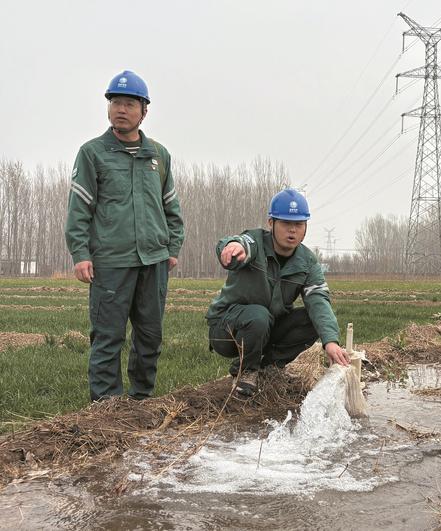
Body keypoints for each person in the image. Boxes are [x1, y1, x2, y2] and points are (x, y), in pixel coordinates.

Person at [65, 70, 185, 401]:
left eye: (130, 104)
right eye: (116, 102)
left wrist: (172, 247)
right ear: (108, 108)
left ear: (144, 111)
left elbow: (171, 208)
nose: (121, 109)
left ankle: (142, 399)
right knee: (108, 337)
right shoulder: (92, 153)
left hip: (154, 261)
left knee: (150, 336)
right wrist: (80, 254)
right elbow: (79, 209)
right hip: (111, 263)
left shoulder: (158, 155)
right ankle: (107, 407)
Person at [206, 188, 349, 396]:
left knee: (312, 319)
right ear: (271, 223)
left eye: (298, 224)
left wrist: (331, 341)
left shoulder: (307, 262)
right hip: (227, 330)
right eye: (286, 223)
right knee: (258, 315)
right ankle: (246, 372)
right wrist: (233, 246)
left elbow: (318, 300)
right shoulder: (255, 242)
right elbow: (243, 243)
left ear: (305, 227)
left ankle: (269, 367)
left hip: (267, 327)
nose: (292, 230)